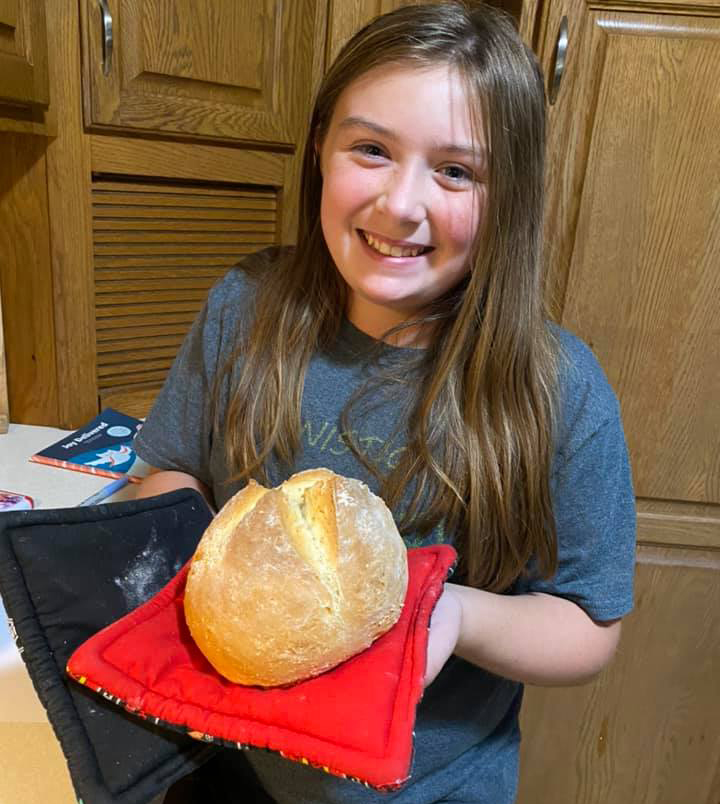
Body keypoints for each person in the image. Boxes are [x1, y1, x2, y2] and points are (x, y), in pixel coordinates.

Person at [133, 2, 636, 802]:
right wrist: (201, 566)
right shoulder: (244, 305)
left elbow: (588, 626)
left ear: (510, 196)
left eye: (456, 171)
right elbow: (169, 470)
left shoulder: (559, 390)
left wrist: (455, 615)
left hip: (428, 787)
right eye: (371, 149)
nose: (400, 205)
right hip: (228, 769)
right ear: (321, 150)